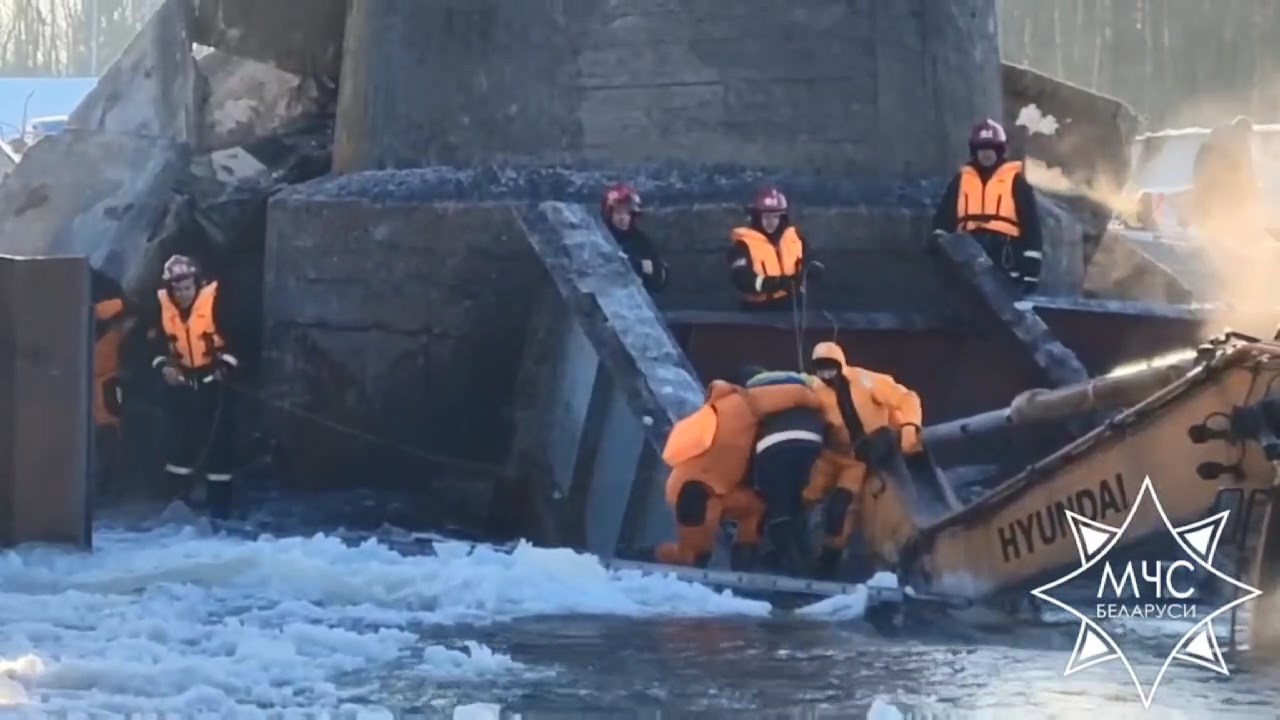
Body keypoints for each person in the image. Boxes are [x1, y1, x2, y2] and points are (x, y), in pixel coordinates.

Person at [654, 366, 823, 571]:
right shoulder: (745, 401)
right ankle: (654, 558)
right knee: (693, 553)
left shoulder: (714, 410)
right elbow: (797, 395)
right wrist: (819, 399)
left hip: (710, 489)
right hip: (696, 489)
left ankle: (741, 565)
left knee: (755, 507)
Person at [803, 342, 923, 580]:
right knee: (803, 497)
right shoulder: (814, 389)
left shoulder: (866, 382)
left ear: (840, 364)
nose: (826, 374)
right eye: (821, 369)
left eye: (830, 368)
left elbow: (906, 398)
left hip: (855, 460)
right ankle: (788, 548)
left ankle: (829, 560)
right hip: (827, 456)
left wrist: (910, 428)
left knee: (839, 507)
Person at [146, 254, 239, 520]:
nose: (183, 294)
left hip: (214, 384)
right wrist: (164, 365)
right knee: (178, 443)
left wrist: (225, 367)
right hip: (181, 384)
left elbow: (240, 337)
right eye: (177, 289)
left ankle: (220, 511)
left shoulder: (218, 303)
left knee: (218, 444)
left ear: (196, 283)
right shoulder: (160, 307)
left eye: (187, 288)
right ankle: (175, 506)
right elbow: (151, 342)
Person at [932, 119, 1044, 296]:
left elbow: (1032, 229)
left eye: (991, 148)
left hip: (1005, 259)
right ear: (974, 151)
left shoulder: (1017, 183)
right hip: (968, 254)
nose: (986, 154)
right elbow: (944, 218)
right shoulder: (960, 182)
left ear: (999, 150)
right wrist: (937, 245)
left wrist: (1031, 273)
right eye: (981, 149)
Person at [742, 367, 828, 575]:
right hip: (814, 441)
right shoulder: (801, 386)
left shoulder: (748, 393)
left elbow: (742, 433)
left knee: (779, 509)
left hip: (775, 445)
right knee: (799, 504)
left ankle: (794, 568)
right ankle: (813, 562)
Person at [727, 186, 824, 311]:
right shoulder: (743, 245)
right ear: (758, 217)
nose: (771, 222)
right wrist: (777, 283)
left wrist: (811, 271)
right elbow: (742, 279)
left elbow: (812, 260)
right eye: (766, 217)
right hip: (758, 310)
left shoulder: (795, 239)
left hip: (793, 306)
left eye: (775, 217)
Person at [1191, 116, 1263, 237]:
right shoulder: (1231, 140)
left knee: (1215, 203)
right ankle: (1213, 231)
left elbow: (1245, 165)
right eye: (1246, 133)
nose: (1246, 136)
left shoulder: (1227, 138)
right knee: (1217, 202)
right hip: (1215, 179)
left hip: (1213, 178)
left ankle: (1216, 230)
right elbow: (1242, 165)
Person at [91, 269, 129, 494]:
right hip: (83, 374)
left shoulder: (103, 289)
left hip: (106, 378)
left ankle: (106, 484)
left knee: (108, 428)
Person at [601, 183, 668, 293]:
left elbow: (660, 280)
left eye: (627, 213)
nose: (623, 218)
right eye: (618, 212)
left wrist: (653, 272)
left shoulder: (640, 241)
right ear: (609, 214)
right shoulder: (601, 238)